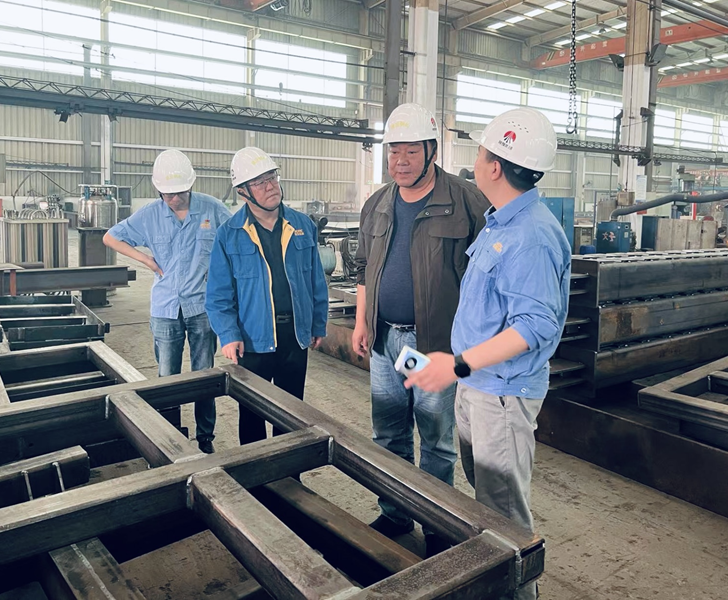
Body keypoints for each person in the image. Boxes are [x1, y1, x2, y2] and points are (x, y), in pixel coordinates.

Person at [405, 107, 571, 599]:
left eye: (479, 153)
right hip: (478, 387)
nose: (474, 161)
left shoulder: (531, 236)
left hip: (501, 394)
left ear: (495, 166)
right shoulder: (500, 223)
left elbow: (535, 325)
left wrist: (456, 364)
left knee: (504, 518)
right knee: (486, 505)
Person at [352, 103, 490, 557]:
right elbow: (363, 269)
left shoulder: (467, 201)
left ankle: (436, 521)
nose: (401, 161)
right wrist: (362, 321)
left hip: (434, 346)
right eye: (394, 152)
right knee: (388, 433)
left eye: (411, 151)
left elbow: (488, 276)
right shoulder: (377, 204)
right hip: (384, 340)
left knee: (435, 438)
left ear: (432, 150)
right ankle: (395, 512)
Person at [104, 149, 231, 454]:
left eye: (179, 192)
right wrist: (145, 259)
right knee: (166, 378)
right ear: (157, 189)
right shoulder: (149, 215)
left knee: (204, 376)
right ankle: (169, 439)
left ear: (191, 184)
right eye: (167, 194)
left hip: (202, 307)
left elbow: (237, 240)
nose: (173, 199)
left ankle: (205, 438)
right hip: (165, 309)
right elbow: (111, 237)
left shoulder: (213, 209)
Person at [206, 147, 328, 445]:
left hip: (294, 337)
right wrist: (228, 335)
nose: (271, 186)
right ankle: (255, 473)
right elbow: (218, 295)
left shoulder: (302, 225)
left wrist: (318, 324)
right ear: (242, 192)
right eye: (260, 182)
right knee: (252, 414)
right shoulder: (229, 234)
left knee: (291, 414)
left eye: (272, 177)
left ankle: (289, 469)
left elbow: (316, 281)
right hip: (252, 340)